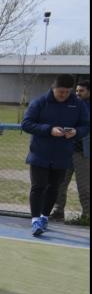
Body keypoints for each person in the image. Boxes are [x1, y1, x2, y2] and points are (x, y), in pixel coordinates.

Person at [21, 74, 90, 237]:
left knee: (54, 188)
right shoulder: (39, 102)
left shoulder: (78, 104)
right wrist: (49, 130)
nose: (63, 95)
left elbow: (86, 125)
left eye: (67, 92)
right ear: (53, 88)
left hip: (63, 154)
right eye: (60, 92)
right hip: (40, 153)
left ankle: (45, 216)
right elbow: (26, 124)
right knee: (38, 186)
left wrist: (76, 132)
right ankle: (35, 220)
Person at [52, 80, 91, 224]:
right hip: (66, 151)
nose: (77, 94)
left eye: (81, 91)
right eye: (76, 91)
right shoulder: (71, 104)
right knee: (60, 183)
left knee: (84, 186)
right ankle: (58, 211)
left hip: (83, 153)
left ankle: (87, 215)